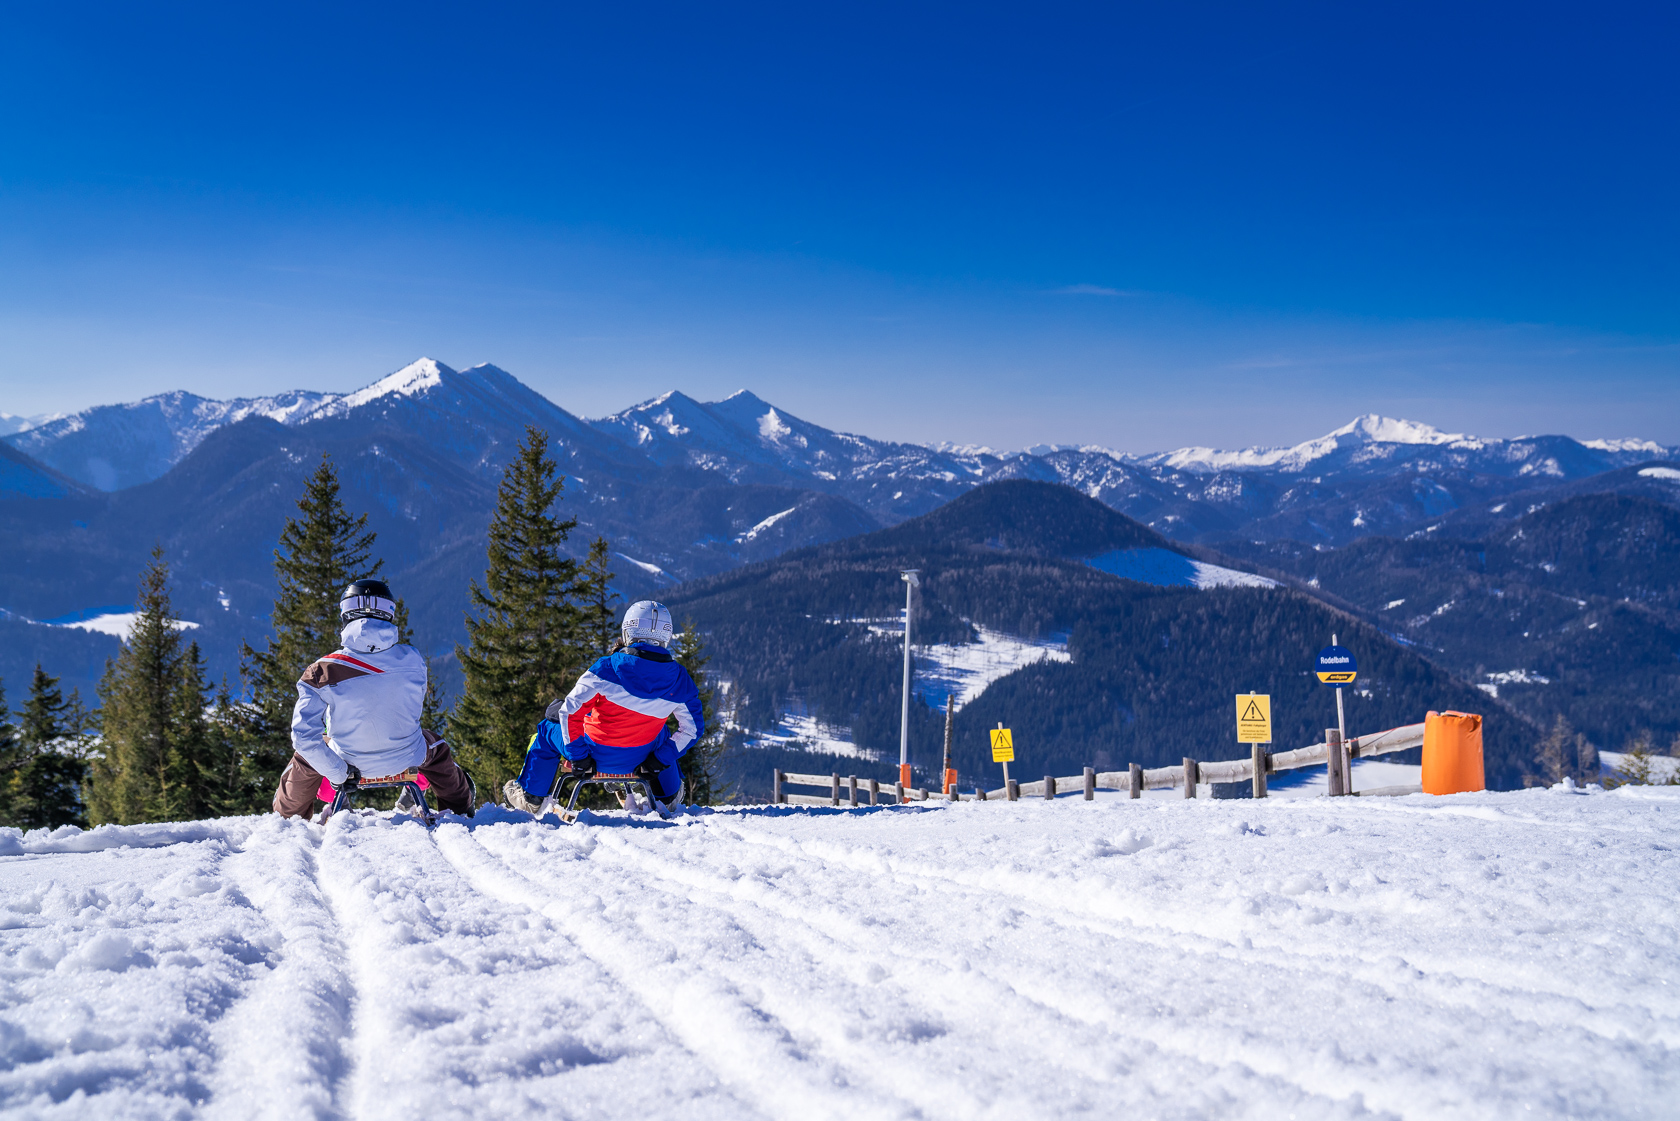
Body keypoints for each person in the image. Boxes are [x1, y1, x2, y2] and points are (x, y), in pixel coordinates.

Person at [272, 578, 475, 819]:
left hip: (345, 760)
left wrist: (339, 773)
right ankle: (460, 807)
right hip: (405, 756)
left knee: (306, 756)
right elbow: (411, 710)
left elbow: (304, 737)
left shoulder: (321, 670)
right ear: (389, 612)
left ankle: (287, 817)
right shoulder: (413, 660)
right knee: (436, 747)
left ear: (346, 613)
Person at [504, 600, 703, 814]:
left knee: (545, 730)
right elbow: (691, 730)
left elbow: (570, 712)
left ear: (628, 631)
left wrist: (579, 757)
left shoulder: (606, 669)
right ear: (666, 636)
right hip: (642, 759)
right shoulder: (680, 680)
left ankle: (530, 797)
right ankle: (668, 796)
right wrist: (659, 760)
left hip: (593, 755)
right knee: (663, 733)